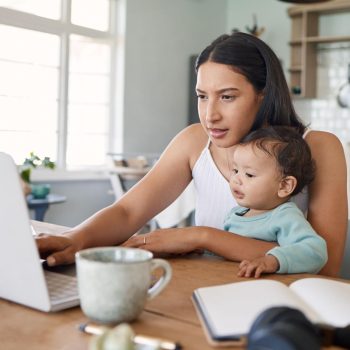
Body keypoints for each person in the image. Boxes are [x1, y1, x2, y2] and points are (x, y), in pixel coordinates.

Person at [36, 32, 347, 277]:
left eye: (227, 97)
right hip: (204, 293)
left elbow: (326, 265)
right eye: (202, 96)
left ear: (263, 96)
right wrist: (75, 239)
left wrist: (201, 237)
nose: (210, 115)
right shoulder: (193, 141)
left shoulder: (318, 147)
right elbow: (128, 213)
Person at [223, 126, 327, 278]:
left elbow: (315, 251)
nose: (236, 180)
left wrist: (272, 261)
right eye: (235, 170)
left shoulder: (285, 217)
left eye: (249, 174)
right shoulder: (234, 215)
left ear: (284, 186)